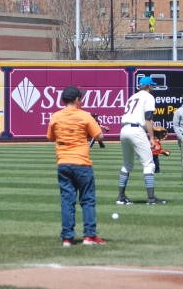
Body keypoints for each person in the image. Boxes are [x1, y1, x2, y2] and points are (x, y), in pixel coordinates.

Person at [47, 86, 106, 246]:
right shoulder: (85, 116)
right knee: (87, 200)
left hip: (63, 162)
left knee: (67, 201)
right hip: (82, 162)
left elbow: (51, 137)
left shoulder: (56, 116)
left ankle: (67, 238)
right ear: (77, 100)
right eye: (81, 98)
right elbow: (99, 136)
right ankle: (89, 236)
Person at [117, 76, 166, 205]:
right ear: (149, 86)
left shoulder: (132, 97)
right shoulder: (148, 97)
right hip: (136, 130)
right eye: (152, 85)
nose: (153, 87)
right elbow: (148, 119)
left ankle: (121, 197)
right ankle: (151, 198)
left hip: (124, 130)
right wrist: (151, 137)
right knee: (149, 164)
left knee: (127, 164)